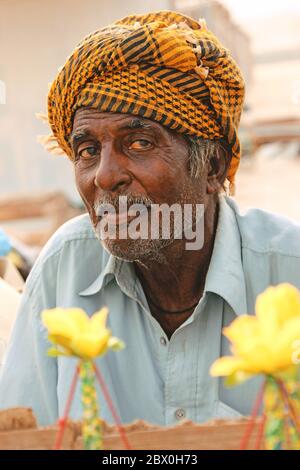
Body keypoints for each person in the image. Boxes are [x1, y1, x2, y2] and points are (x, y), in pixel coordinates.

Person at [0, 11, 299, 427]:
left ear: (212, 166)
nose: (104, 175)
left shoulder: (289, 269)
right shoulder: (63, 271)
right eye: (87, 150)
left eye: (139, 143)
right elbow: (23, 434)